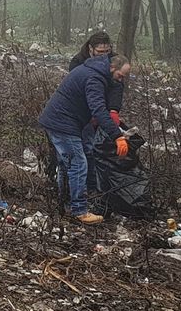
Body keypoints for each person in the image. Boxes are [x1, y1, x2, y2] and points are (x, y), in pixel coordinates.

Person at [39, 53, 133, 224]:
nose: (121, 80)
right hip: (63, 123)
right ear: (112, 68)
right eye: (120, 75)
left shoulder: (93, 70)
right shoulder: (95, 78)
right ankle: (80, 210)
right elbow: (97, 108)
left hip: (55, 119)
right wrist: (117, 136)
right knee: (78, 163)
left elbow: (95, 107)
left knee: (65, 164)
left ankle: (65, 202)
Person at [68, 31, 124, 122]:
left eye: (107, 51)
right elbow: (76, 89)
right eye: (100, 52)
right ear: (91, 48)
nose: (104, 55)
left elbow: (117, 85)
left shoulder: (114, 60)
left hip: (104, 101)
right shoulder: (78, 62)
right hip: (83, 104)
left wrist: (113, 110)